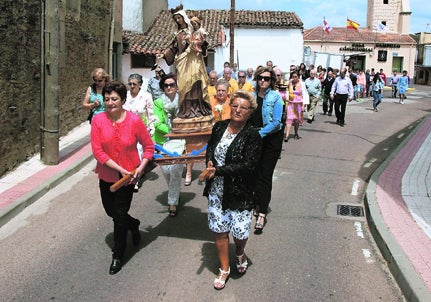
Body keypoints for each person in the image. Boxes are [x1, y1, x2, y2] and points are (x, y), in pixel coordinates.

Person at [90, 81, 155, 275]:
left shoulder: (134, 121)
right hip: (107, 174)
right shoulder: (98, 121)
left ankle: (118, 255)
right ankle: (133, 224)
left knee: (118, 216)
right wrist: (119, 168)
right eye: (107, 99)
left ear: (123, 100)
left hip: (129, 178)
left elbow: (149, 147)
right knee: (111, 211)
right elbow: (98, 151)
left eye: (114, 99)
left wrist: (140, 168)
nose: (110, 103)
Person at [201, 90, 262, 290]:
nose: (237, 110)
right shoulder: (219, 127)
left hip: (241, 190)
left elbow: (249, 166)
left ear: (250, 112)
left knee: (240, 232)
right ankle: (224, 268)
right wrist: (209, 160)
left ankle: (240, 252)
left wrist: (218, 170)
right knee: (219, 231)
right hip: (217, 191)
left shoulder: (253, 135)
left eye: (243, 108)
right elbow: (210, 147)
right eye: (234, 105)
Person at [156, 5, 212, 118]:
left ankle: (199, 109)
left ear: (183, 17)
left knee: (196, 81)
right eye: (175, 18)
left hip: (194, 60)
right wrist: (164, 54)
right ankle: (186, 110)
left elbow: (202, 40)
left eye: (179, 17)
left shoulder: (192, 30)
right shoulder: (178, 33)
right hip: (182, 61)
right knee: (183, 85)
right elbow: (174, 47)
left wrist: (198, 42)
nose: (178, 20)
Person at [249, 66, 284, 233]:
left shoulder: (276, 97)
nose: (263, 81)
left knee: (265, 175)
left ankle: (262, 212)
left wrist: (259, 134)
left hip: (271, 139)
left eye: (267, 78)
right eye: (260, 78)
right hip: (255, 139)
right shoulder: (251, 97)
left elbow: (276, 122)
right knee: (254, 173)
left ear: (272, 81)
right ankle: (256, 202)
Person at [152, 74, 185, 215]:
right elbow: (157, 122)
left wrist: (181, 131)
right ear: (163, 87)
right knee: (166, 171)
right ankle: (175, 191)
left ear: (177, 86)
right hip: (164, 140)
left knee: (176, 171)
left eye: (172, 84)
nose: (169, 87)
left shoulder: (183, 100)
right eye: (166, 85)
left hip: (181, 140)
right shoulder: (158, 102)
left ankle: (172, 202)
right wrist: (171, 130)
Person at [124, 74, 156, 192]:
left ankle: (135, 180)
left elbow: (150, 113)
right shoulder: (125, 95)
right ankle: (128, 175)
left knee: (138, 153)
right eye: (130, 84)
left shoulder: (146, 96)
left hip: (141, 129)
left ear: (140, 85)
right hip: (125, 129)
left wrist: (151, 128)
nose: (132, 86)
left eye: (134, 84)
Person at [285, 71, 307, 141]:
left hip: (299, 104)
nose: (294, 78)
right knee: (289, 119)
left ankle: (296, 133)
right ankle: (287, 135)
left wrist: (304, 105)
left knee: (296, 120)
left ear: (298, 77)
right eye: (293, 77)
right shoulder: (289, 83)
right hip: (291, 103)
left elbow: (305, 94)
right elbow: (286, 91)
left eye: (295, 77)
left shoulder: (302, 83)